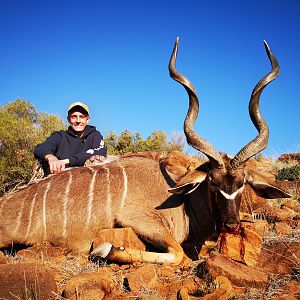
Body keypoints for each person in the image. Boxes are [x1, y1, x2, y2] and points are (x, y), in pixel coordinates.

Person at [34, 101, 107, 176]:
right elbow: (41, 148)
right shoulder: (60, 136)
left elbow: (99, 151)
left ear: (87, 119)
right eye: (74, 117)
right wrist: (51, 157)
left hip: (84, 179)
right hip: (58, 178)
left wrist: (66, 161)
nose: (78, 121)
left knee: (97, 160)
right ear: (68, 119)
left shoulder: (95, 135)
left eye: (81, 117)